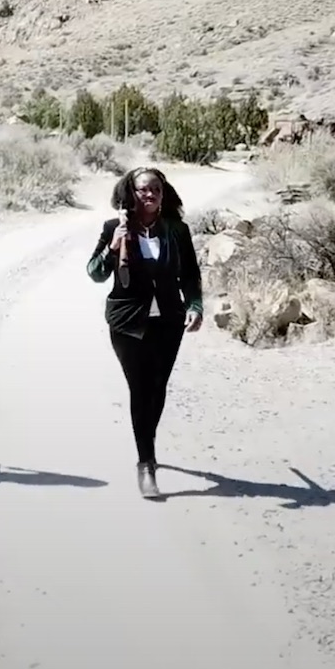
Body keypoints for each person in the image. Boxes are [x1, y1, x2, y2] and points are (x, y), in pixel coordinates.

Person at [86, 166, 204, 499]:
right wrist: (113, 247)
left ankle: (145, 440)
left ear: (163, 194)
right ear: (130, 193)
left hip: (169, 320)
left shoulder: (176, 230)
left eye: (155, 189)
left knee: (157, 388)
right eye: (142, 189)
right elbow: (95, 273)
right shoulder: (114, 227)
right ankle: (146, 463)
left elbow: (190, 273)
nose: (149, 194)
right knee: (140, 389)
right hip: (127, 321)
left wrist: (195, 305)